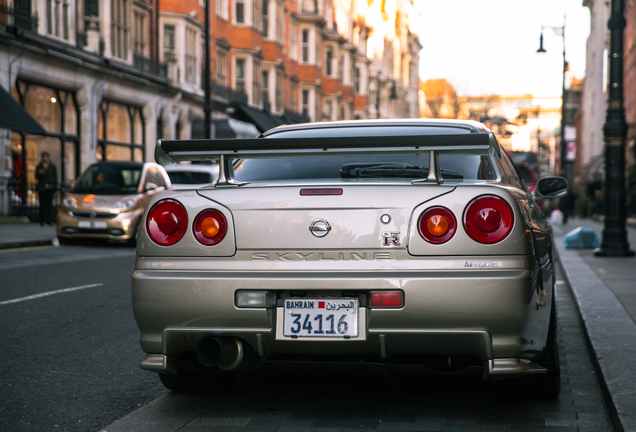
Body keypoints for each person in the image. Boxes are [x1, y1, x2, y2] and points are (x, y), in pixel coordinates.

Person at [35, 151, 58, 226]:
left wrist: (54, 186)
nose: (45, 158)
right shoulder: (39, 166)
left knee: (49, 204)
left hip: (50, 187)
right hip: (42, 187)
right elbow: (36, 176)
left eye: (46, 157)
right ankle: (42, 220)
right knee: (42, 204)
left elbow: (55, 177)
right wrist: (39, 173)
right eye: (44, 157)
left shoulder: (52, 166)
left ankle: (49, 220)